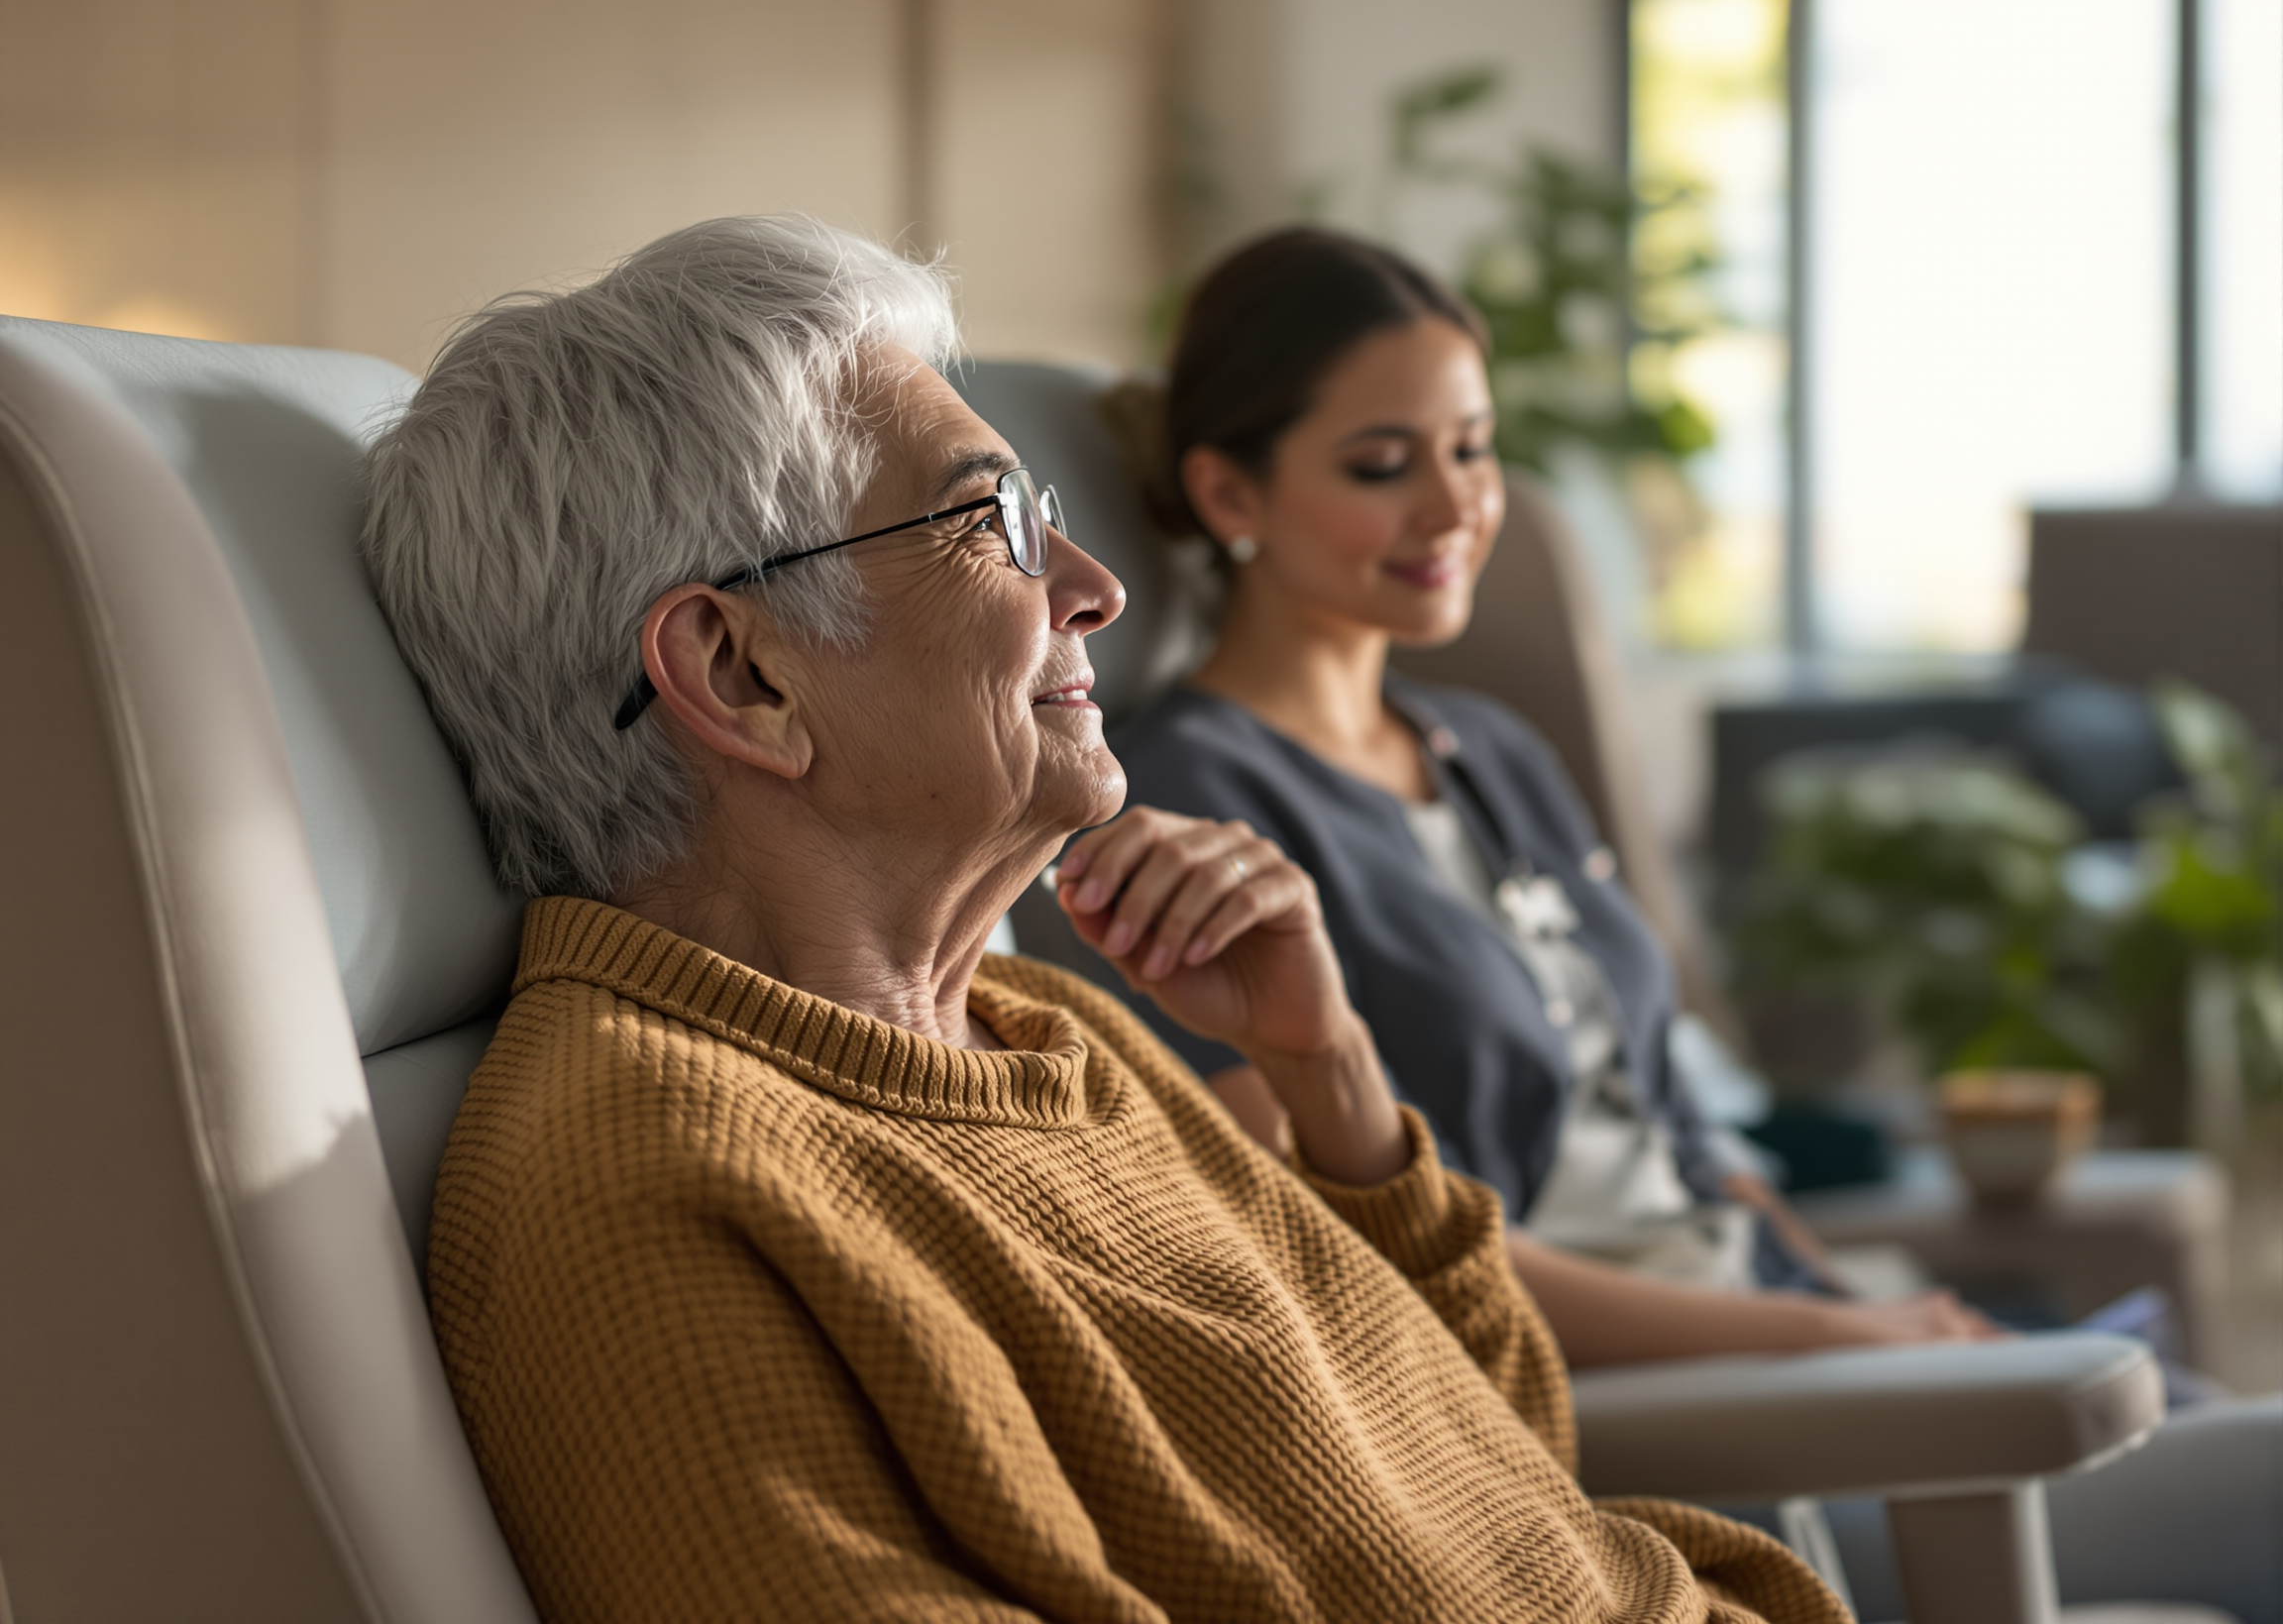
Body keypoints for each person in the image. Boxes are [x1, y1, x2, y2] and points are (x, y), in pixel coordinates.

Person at [360, 215, 1847, 1624]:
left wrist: (1328, 1070)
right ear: (743, 675)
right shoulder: (643, 1197)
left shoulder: (1048, 1033)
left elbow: (1507, 1466)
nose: (1097, 588)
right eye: (991, 523)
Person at [1058, 225, 2005, 1367]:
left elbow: (1675, 1125)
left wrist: (1852, 1298)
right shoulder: (1173, 805)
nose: (1454, 506)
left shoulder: (1494, 753)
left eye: (1472, 448)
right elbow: (1331, 1240)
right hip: (1611, 1395)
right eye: (1382, 463)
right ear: (1226, 489)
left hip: (1777, 1314)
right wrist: (1833, 1336)